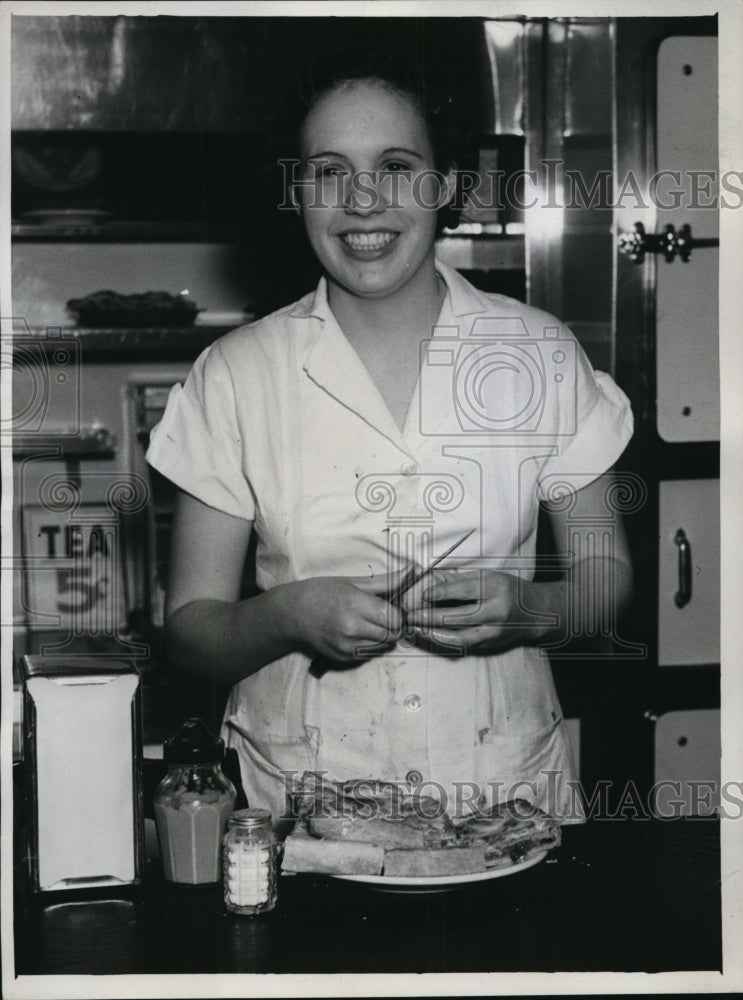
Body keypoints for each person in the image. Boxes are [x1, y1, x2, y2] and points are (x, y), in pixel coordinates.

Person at [146, 49, 633, 831]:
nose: (363, 201)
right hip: (300, 811)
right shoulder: (235, 374)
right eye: (329, 171)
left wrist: (528, 611)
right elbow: (192, 635)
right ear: (297, 192)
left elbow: (604, 578)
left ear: (445, 187)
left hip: (501, 798)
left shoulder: (538, 352)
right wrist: (287, 616)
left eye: (398, 167)